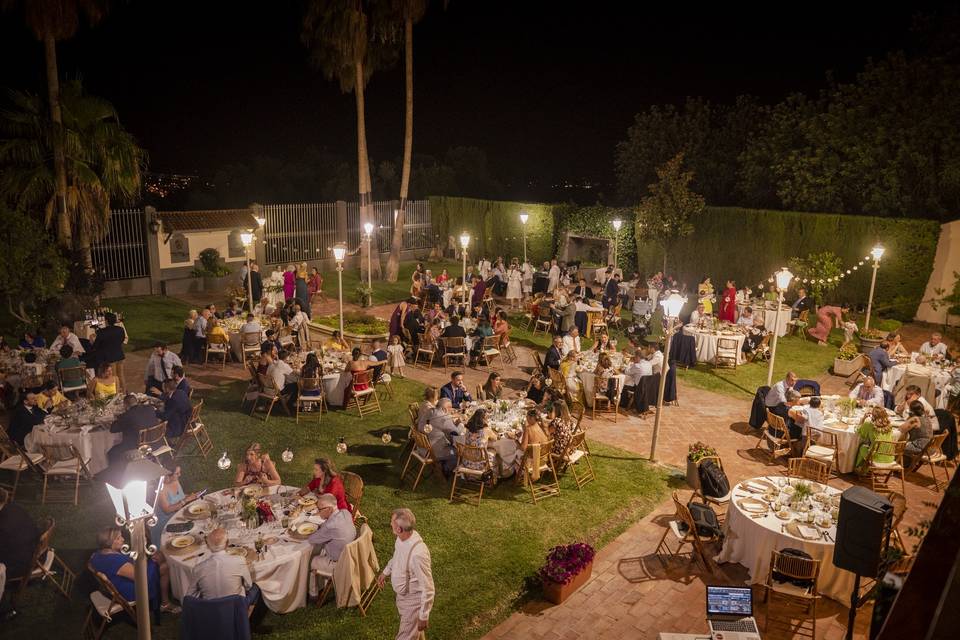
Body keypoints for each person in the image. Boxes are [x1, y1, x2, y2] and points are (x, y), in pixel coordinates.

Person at [90, 526, 179, 613]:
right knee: (164, 567)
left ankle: (165, 596)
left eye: (121, 536)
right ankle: (165, 603)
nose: (123, 539)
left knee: (158, 557)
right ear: (109, 543)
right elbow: (141, 577)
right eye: (118, 538)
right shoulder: (116, 562)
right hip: (130, 591)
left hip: (114, 588)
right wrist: (152, 562)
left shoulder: (97, 555)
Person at [378, 508, 435, 640]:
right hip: (403, 598)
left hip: (413, 602)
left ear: (399, 529)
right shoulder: (401, 539)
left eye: (392, 522)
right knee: (414, 634)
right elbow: (397, 557)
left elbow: (428, 588)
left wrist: (423, 616)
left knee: (405, 636)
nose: (390, 524)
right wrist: (386, 572)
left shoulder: (418, 554)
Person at [188, 527, 265, 624]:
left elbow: (189, 596)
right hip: (236, 607)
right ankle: (248, 624)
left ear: (208, 546)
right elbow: (248, 585)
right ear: (227, 544)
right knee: (257, 587)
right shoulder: (239, 561)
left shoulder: (198, 568)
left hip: (210, 609)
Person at [306, 493, 357, 598]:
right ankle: (322, 584)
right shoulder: (345, 512)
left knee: (310, 561)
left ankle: (313, 594)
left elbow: (312, 539)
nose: (317, 512)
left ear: (329, 509)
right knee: (322, 549)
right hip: (353, 556)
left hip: (340, 565)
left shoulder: (330, 526)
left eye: (319, 509)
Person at [0, 487, 39, 618]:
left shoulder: (4, 526)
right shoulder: (15, 507)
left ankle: (4, 609)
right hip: (33, 551)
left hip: (22, 563)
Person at [108, 394, 160, 465]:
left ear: (125, 405)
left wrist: (117, 418)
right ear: (137, 401)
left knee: (112, 453)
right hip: (155, 442)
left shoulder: (127, 415)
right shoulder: (150, 408)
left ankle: (117, 473)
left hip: (137, 447)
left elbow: (113, 429)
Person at [150, 465, 200, 540]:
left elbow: (180, 496)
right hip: (165, 521)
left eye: (179, 472)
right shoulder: (160, 488)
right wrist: (186, 500)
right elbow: (167, 510)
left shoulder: (175, 480)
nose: (179, 475)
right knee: (190, 529)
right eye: (177, 473)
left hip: (179, 514)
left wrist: (191, 496)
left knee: (197, 522)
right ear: (168, 474)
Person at [93, 313, 127, 391]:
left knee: (113, 377)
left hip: (110, 357)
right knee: (121, 375)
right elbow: (122, 339)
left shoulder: (102, 332)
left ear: (106, 321)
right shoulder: (120, 329)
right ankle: (124, 392)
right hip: (120, 355)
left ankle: (116, 394)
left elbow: (96, 346)